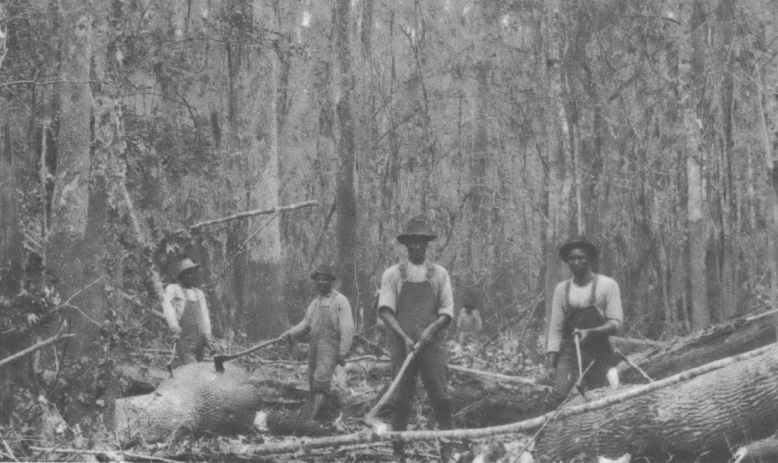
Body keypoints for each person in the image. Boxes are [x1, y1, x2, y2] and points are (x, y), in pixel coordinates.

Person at [377, 215, 455, 463]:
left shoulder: (439, 274)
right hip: (402, 346)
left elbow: (447, 311)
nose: (417, 246)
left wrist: (430, 330)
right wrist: (403, 336)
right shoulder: (393, 275)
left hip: (431, 345)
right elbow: (386, 310)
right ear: (406, 245)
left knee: (441, 397)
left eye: (421, 241)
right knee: (401, 399)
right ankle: (398, 450)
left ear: (427, 244)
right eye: (412, 242)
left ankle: (446, 448)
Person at [544, 236, 623, 410]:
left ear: (590, 260)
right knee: (557, 395)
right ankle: (544, 435)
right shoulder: (561, 289)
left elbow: (616, 323)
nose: (576, 262)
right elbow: (556, 329)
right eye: (571, 259)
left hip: (600, 351)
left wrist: (593, 332)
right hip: (571, 350)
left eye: (581, 258)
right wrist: (551, 364)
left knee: (600, 399)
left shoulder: (607, 285)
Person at [282, 264, 354, 422]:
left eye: (325, 279)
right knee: (312, 381)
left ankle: (313, 417)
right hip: (314, 347)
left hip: (330, 346)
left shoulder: (340, 301)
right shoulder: (315, 303)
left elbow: (347, 328)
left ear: (331, 281)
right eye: (318, 280)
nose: (321, 282)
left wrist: (343, 352)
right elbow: (305, 324)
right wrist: (290, 333)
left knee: (321, 379)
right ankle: (324, 414)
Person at [162, 258, 214, 365]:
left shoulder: (198, 293)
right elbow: (168, 309)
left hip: (200, 340)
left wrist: (207, 335)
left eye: (193, 273)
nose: (191, 276)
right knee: (192, 369)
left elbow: (205, 316)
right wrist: (174, 327)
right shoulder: (173, 289)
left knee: (196, 369)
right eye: (188, 273)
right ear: (181, 275)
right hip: (185, 338)